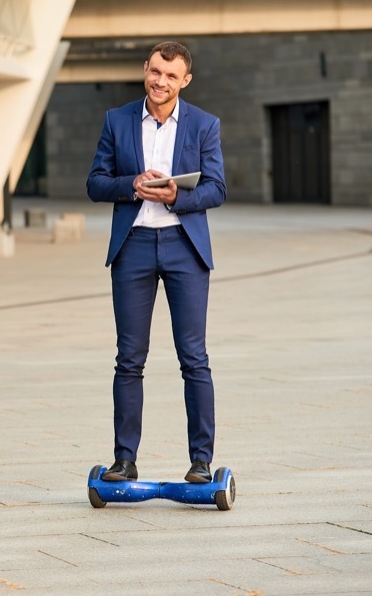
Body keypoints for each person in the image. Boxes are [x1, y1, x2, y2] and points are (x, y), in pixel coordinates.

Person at [86, 41, 226, 484]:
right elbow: (95, 183)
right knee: (129, 358)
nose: (160, 82)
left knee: (194, 357)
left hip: (185, 247)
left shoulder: (205, 125)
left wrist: (177, 196)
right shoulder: (117, 120)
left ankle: (201, 462)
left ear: (184, 80)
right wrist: (132, 184)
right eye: (155, 72)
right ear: (145, 69)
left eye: (171, 76)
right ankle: (124, 459)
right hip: (134, 247)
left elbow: (217, 189)